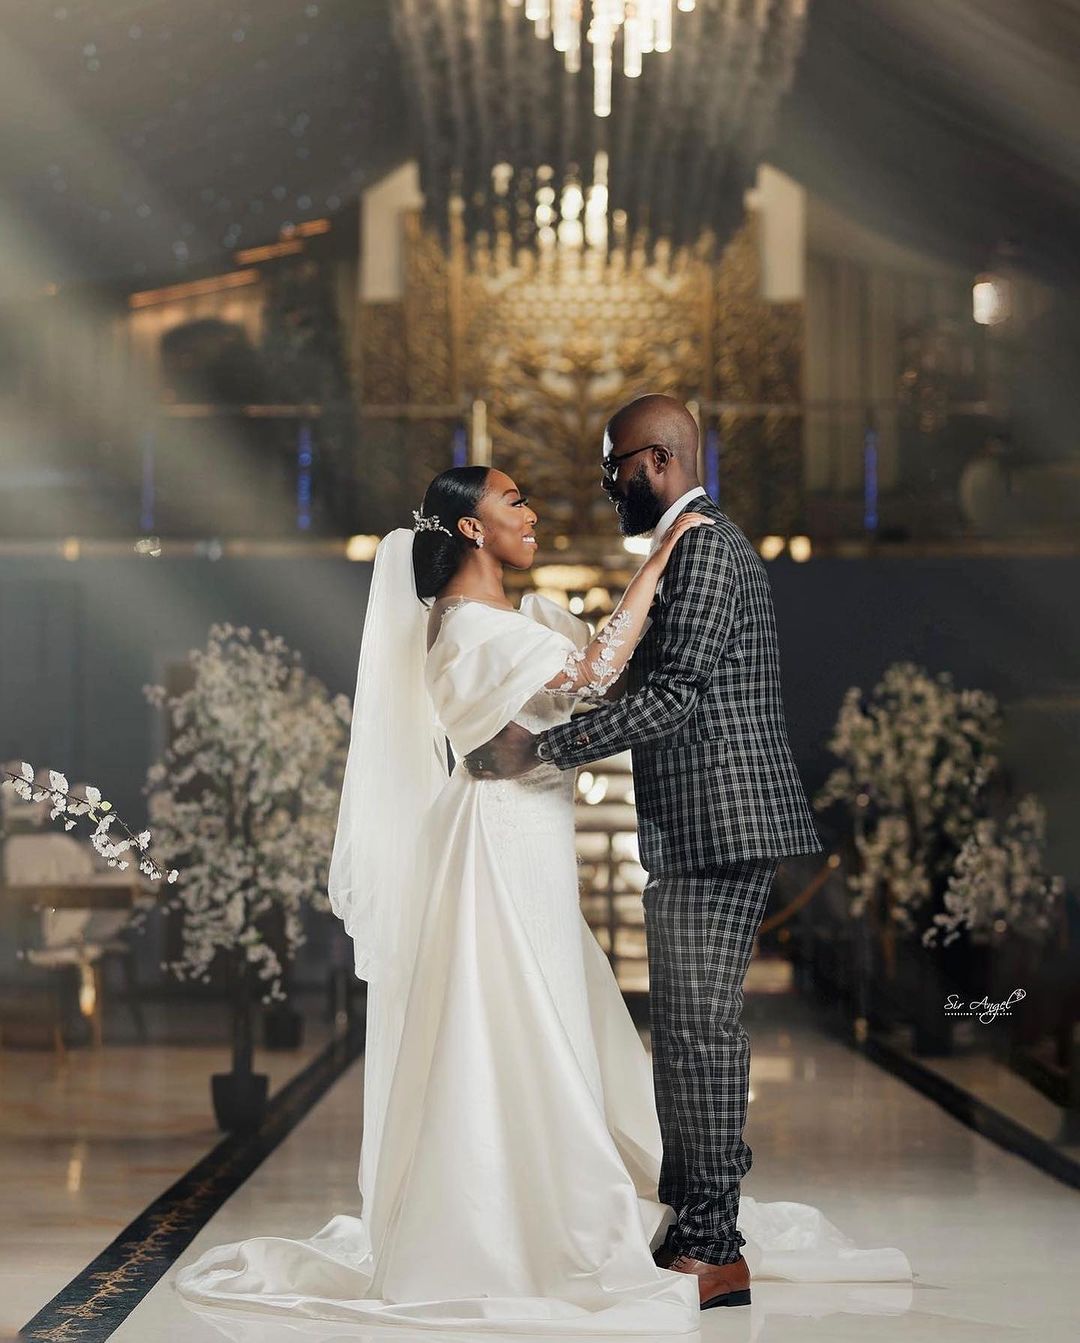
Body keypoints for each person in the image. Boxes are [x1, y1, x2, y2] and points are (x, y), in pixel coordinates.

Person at [175, 458, 910, 1332]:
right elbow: (591, 676)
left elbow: (589, 671)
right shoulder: (464, 629)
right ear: (473, 529)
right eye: (514, 501)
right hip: (492, 844)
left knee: (554, 1016)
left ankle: (569, 1196)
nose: (535, 514)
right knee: (516, 1019)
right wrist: (662, 552)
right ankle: (522, 1218)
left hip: (528, 840)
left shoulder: (507, 618)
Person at [465, 395, 827, 1308]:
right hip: (708, 818)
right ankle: (702, 1225)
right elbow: (638, 677)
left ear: (654, 462)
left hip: (721, 820)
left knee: (699, 1034)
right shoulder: (694, 543)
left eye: (612, 467)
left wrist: (537, 748)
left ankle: (713, 1242)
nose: (606, 486)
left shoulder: (702, 545)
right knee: (694, 1034)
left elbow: (674, 698)